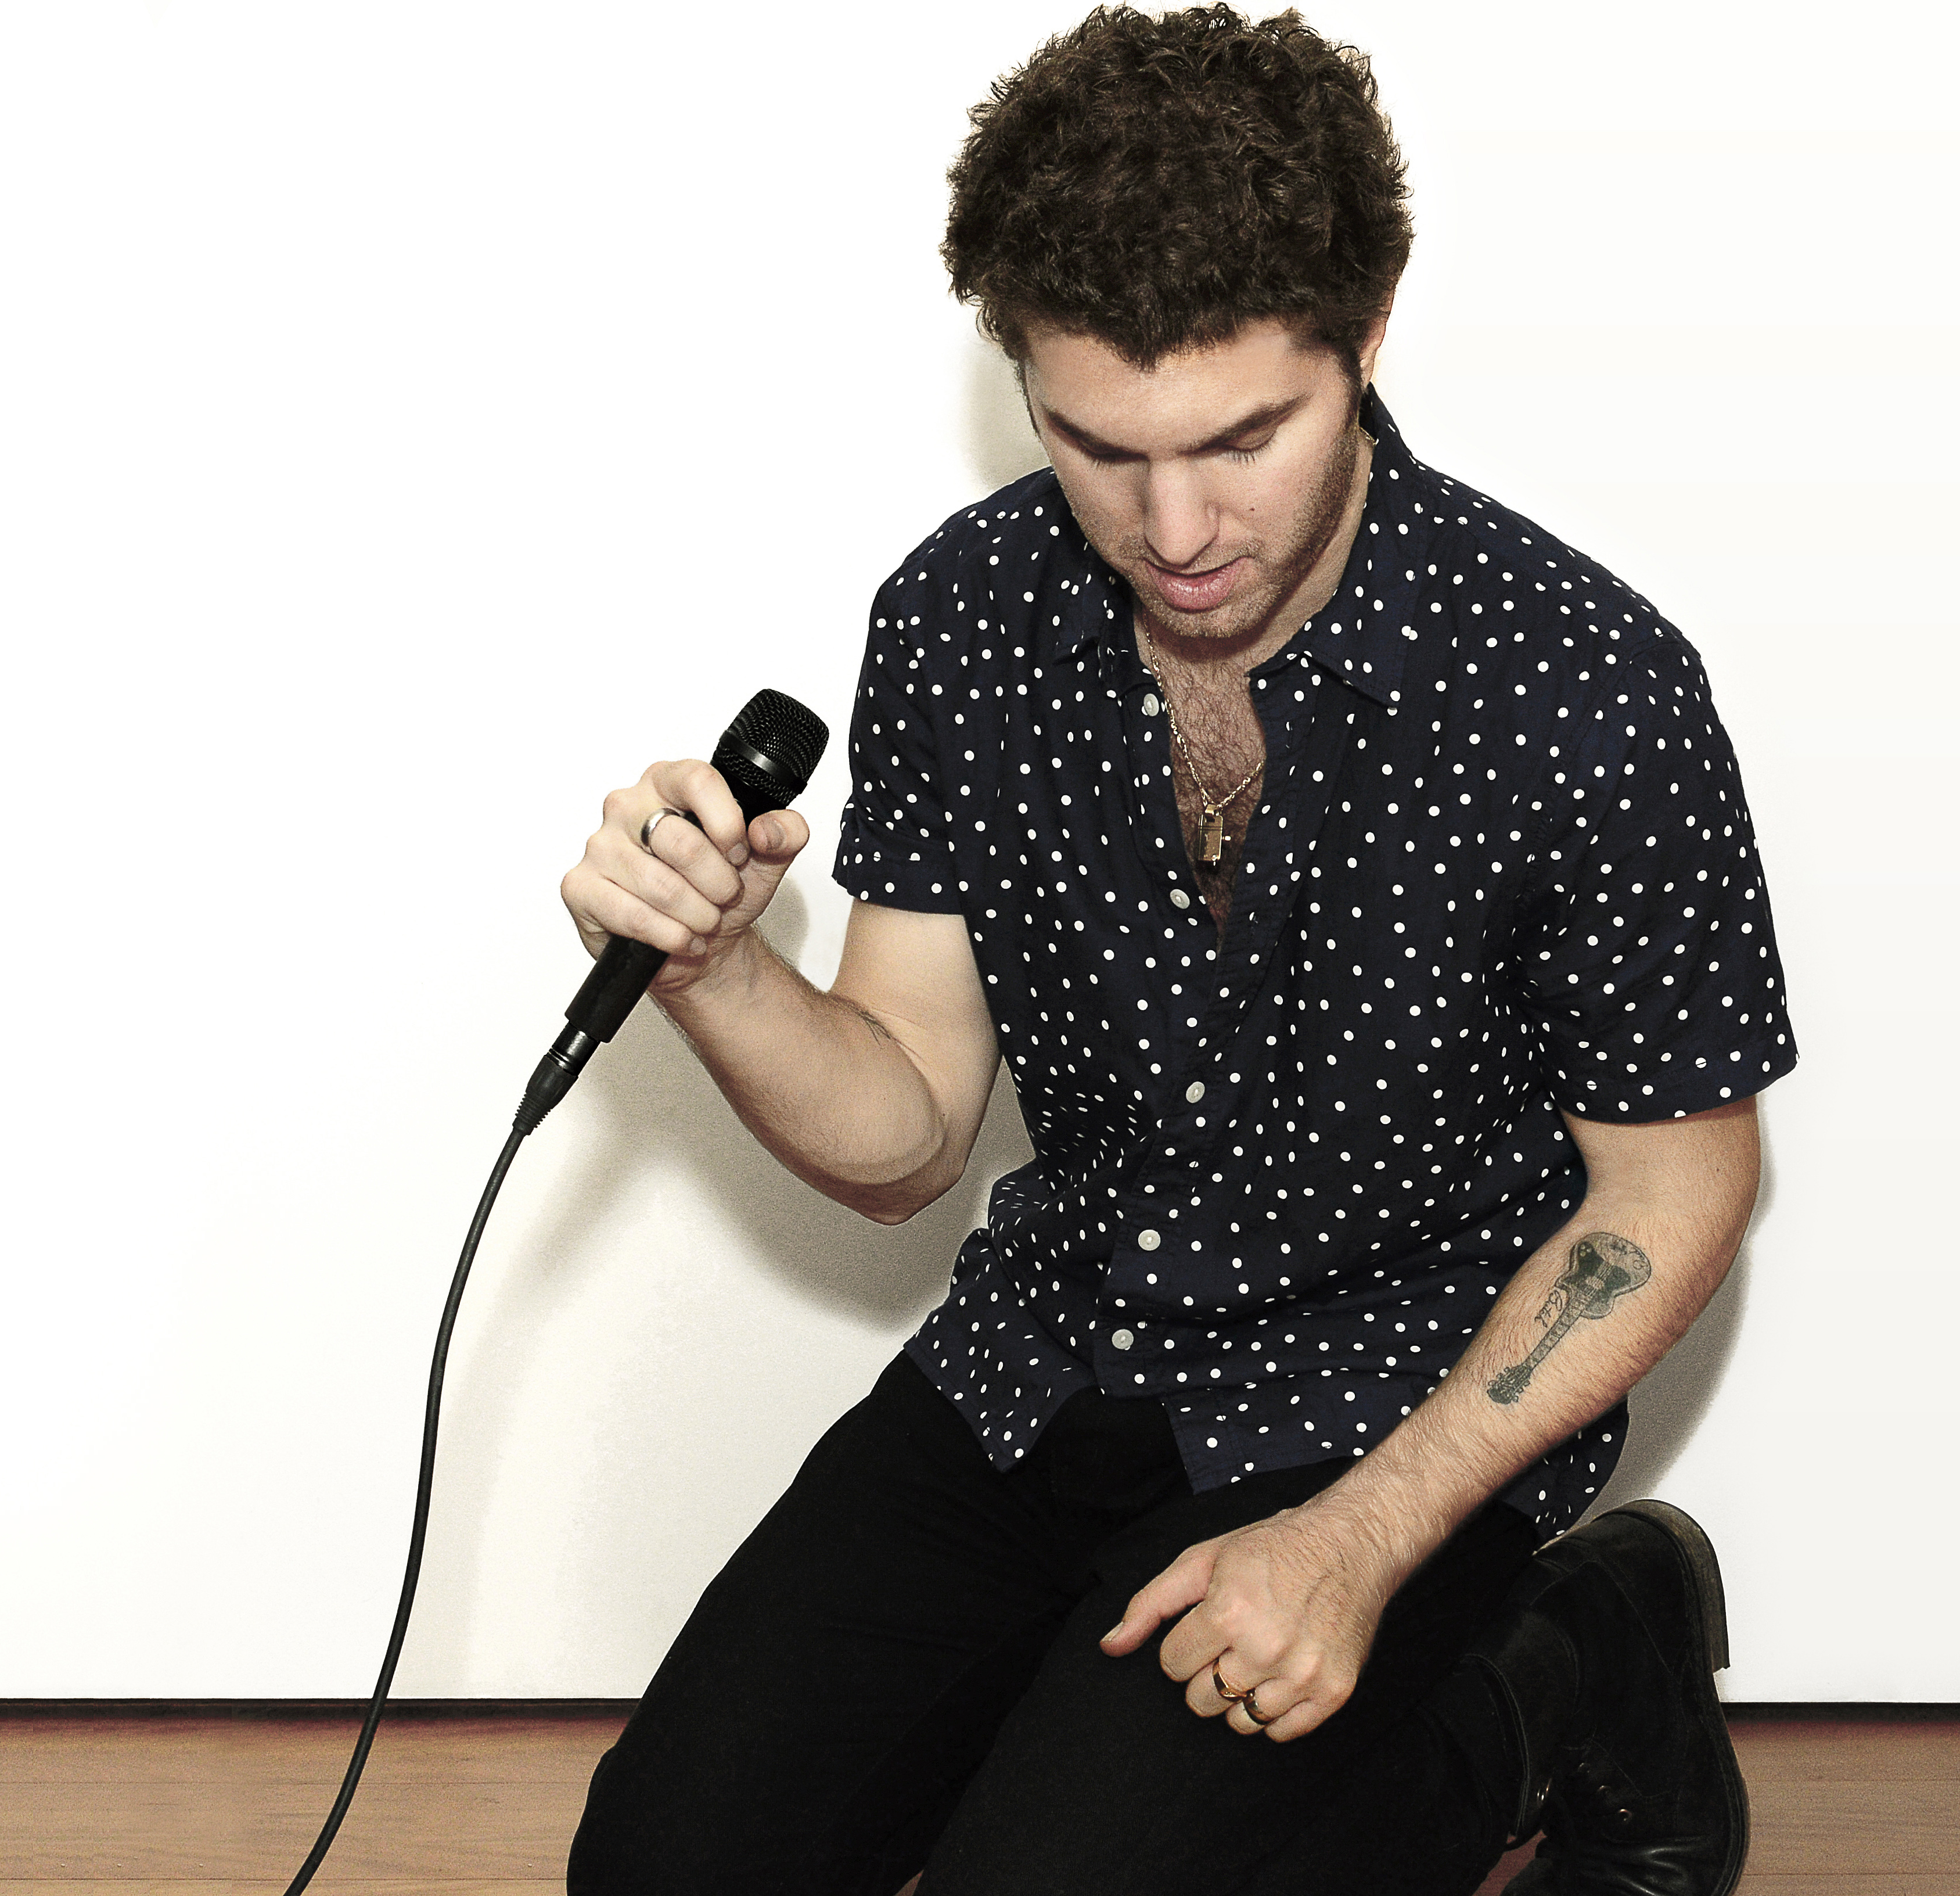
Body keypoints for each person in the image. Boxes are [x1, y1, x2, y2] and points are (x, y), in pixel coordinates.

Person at [560, 8, 1795, 1893]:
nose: (1177, 527)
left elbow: (1679, 1184)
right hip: (1048, 1356)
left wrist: (1363, 1539)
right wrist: (714, 972)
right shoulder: (964, 616)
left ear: (1367, 336)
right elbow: (903, 1139)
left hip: (1394, 1399)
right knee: (660, 1877)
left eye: (1244, 439)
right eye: (1099, 447)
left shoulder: (1581, 687)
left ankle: (1561, 1671)